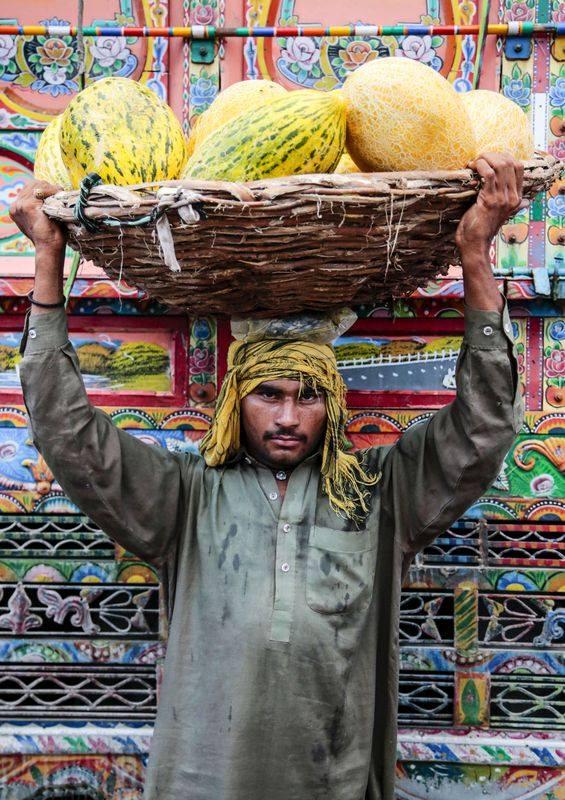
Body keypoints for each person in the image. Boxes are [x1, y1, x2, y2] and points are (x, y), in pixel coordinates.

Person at [10, 151, 524, 800]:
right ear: (235, 401)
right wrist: (49, 260)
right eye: (267, 394)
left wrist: (474, 252)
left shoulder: (380, 496)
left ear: (332, 406)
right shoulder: (186, 499)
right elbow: (69, 435)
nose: (286, 415)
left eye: (307, 396)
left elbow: (483, 427)